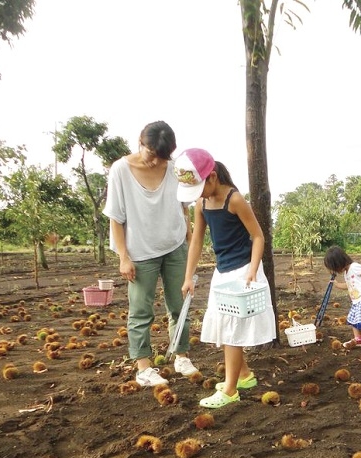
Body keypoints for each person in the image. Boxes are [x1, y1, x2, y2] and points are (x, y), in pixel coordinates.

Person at [176, 148, 276, 409]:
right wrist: (189, 277)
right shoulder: (202, 204)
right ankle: (244, 375)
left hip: (243, 272)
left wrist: (253, 269)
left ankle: (230, 390)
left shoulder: (235, 200)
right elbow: (197, 240)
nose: (197, 194)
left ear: (212, 177)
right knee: (223, 324)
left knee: (231, 329)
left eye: (199, 187)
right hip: (222, 273)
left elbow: (258, 237)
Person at [103, 121, 199, 387]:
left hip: (175, 246)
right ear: (140, 143)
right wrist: (123, 256)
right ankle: (143, 366)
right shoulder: (121, 170)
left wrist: (191, 243)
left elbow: (184, 209)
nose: (156, 161)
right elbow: (115, 217)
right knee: (141, 310)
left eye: (162, 156)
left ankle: (181, 356)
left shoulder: (175, 168)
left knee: (180, 305)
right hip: (141, 251)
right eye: (151, 154)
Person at [323, 246, 361, 353]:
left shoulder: (355, 267)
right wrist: (337, 285)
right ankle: (359, 339)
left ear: (339, 263)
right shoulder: (346, 273)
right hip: (357, 301)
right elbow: (349, 285)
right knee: (353, 320)